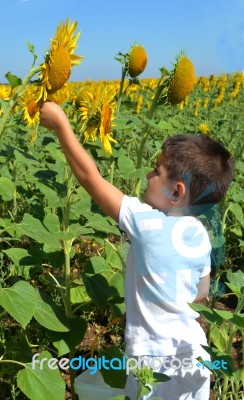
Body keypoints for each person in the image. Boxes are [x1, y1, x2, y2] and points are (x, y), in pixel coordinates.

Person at [39, 101, 234, 400]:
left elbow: (90, 178)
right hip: (195, 353)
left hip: (151, 361)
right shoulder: (200, 234)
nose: (147, 176)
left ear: (176, 191)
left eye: (156, 171)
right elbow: (200, 293)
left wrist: (62, 125)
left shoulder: (146, 225)